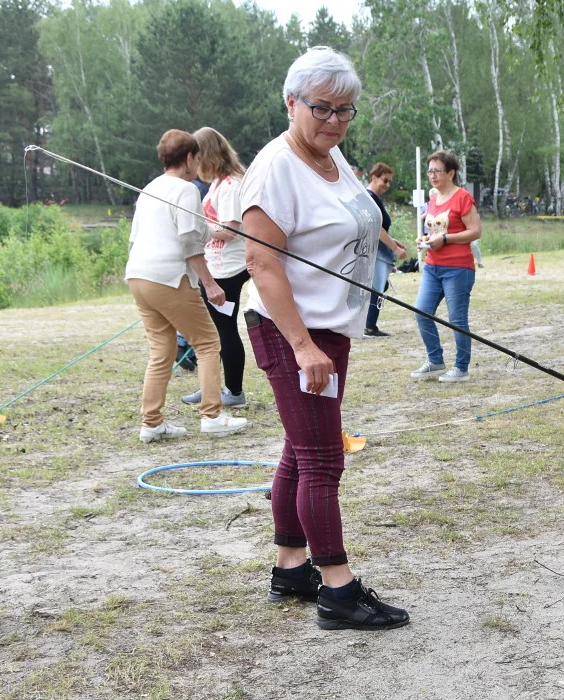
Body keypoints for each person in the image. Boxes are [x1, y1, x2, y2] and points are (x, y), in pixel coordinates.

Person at [242, 46, 409, 631]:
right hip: (294, 330)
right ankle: (338, 591)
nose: (335, 120)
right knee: (321, 458)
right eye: (323, 108)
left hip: (330, 325)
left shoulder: (334, 160)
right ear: (291, 103)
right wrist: (302, 348)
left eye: (346, 110)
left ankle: (291, 568)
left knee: (298, 447)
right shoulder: (275, 166)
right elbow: (262, 262)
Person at [126, 129, 249, 443]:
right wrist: (209, 284)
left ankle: (151, 423)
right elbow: (188, 242)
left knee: (161, 351)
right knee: (208, 343)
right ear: (190, 158)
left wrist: (211, 231)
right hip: (168, 276)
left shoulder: (150, 188)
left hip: (138, 276)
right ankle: (212, 415)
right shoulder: (186, 190)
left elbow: (142, 237)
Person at [181, 127, 251, 408]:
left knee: (225, 330)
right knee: (212, 332)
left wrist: (198, 227)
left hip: (228, 270)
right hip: (215, 266)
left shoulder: (232, 185)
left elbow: (231, 229)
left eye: (197, 156)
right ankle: (210, 386)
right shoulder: (218, 184)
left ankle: (234, 392)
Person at [410, 150, 481, 382]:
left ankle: (461, 368)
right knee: (422, 312)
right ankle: (435, 361)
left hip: (458, 268)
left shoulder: (462, 197)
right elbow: (434, 229)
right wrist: (425, 239)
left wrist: (447, 239)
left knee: (457, 320)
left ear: (451, 173)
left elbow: (475, 231)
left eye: (437, 171)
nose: (432, 175)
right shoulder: (433, 200)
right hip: (433, 266)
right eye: (430, 171)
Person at [363, 161, 408, 337]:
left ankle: (368, 323)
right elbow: (376, 228)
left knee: (380, 287)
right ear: (374, 177)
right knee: (377, 287)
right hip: (376, 252)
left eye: (390, 181)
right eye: (384, 180)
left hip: (377, 249)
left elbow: (378, 229)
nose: (387, 185)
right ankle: (369, 326)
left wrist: (394, 242)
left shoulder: (372, 199)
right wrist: (396, 249)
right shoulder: (370, 197)